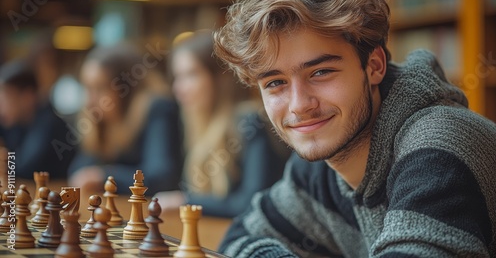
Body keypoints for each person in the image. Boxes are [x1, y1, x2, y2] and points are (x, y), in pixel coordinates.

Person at [213, 0, 496, 257]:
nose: (300, 106)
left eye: (321, 72)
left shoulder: (437, 145)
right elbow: (241, 237)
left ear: (374, 66)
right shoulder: (317, 171)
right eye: (275, 83)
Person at [154, 31, 289, 218]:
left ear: (221, 78)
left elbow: (250, 203)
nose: (178, 88)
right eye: (177, 77)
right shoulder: (196, 124)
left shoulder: (250, 120)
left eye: (191, 75)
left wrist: (184, 202)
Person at [68, 44, 182, 195]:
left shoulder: (157, 108)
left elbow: (160, 178)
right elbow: (78, 171)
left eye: (100, 88)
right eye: (87, 88)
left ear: (126, 90)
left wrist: (103, 176)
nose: (89, 101)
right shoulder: (101, 121)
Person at [0, 59, 74, 179]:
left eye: (6, 98)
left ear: (27, 97)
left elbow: (25, 169)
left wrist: (5, 164)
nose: (1, 106)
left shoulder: (49, 124)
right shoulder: (18, 125)